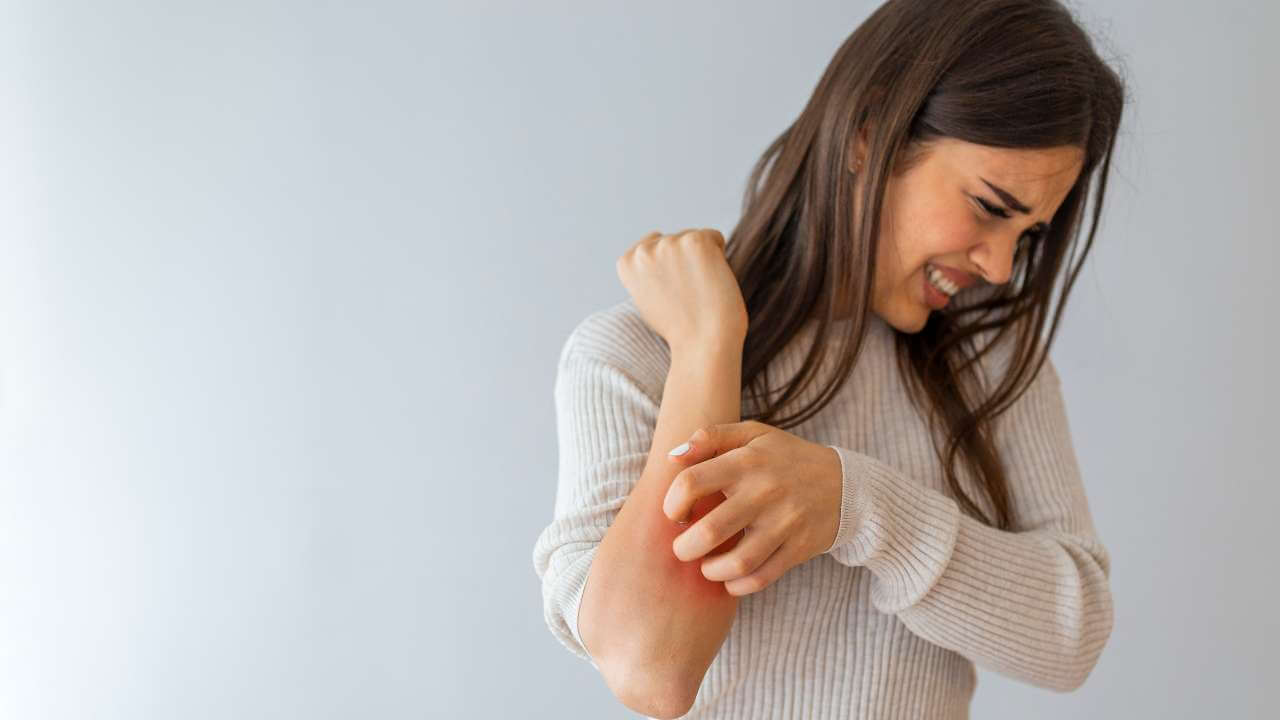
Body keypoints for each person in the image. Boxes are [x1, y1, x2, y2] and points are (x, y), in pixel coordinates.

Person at [532, 0, 1127, 717]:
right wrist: (708, 347)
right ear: (869, 136)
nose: (1000, 267)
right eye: (989, 207)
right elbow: (652, 668)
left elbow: (1071, 638)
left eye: (1027, 235)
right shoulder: (634, 358)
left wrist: (857, 506)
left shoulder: (989, 366)